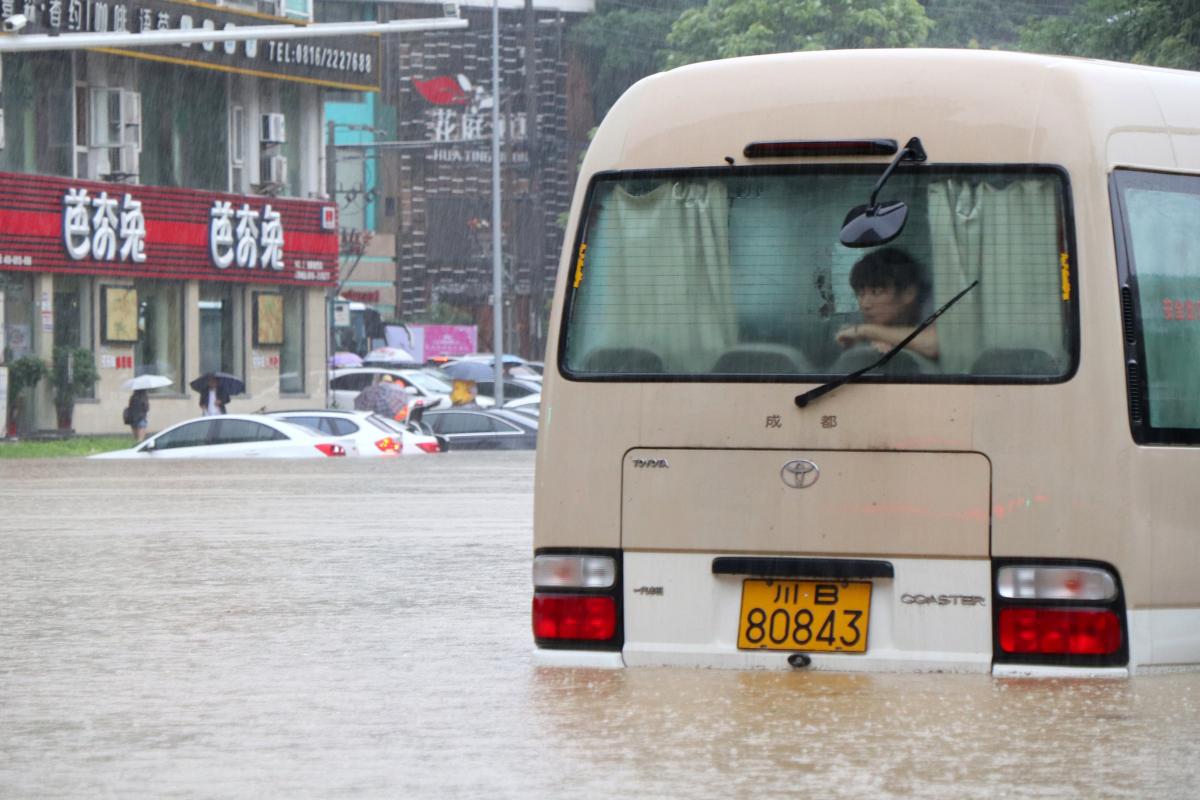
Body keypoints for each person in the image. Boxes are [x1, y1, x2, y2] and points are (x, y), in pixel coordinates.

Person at [835, 247, 938, 360]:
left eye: (877, 292)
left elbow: (935, 344)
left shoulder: (936, 304)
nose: (865, 304)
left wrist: (869, 332)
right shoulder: (866, 318)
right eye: (860, 293)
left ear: (909, 293)